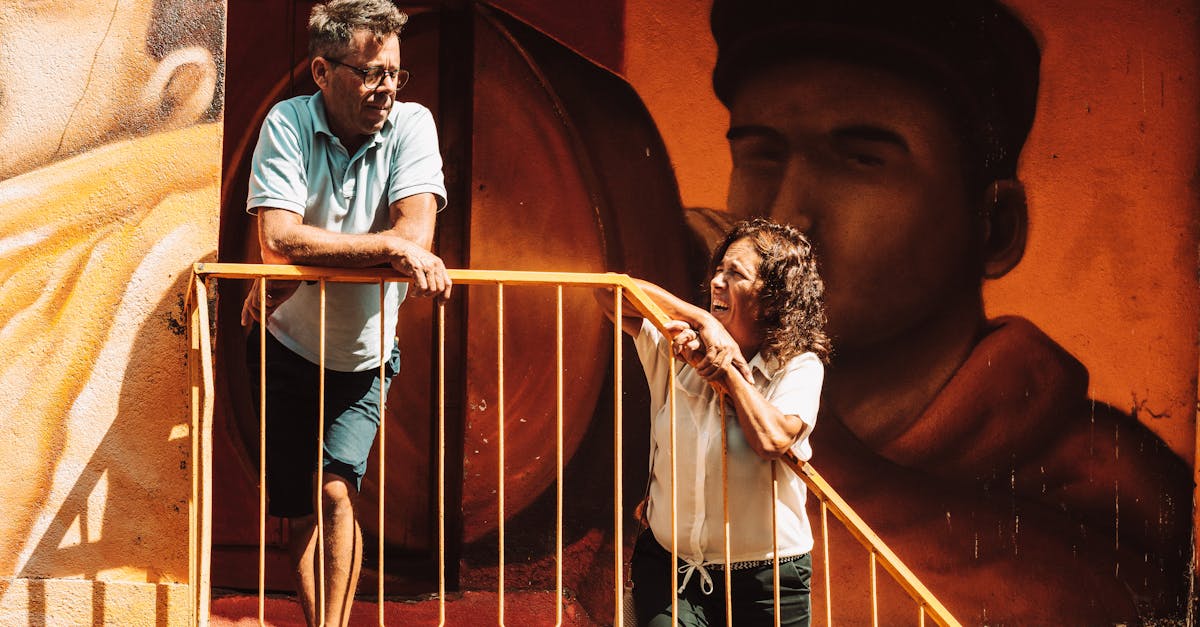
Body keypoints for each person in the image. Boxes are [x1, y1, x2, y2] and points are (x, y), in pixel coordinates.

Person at [688, 0, 1193, 622]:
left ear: (995, 227)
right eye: (761, 155)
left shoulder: (1107, 484)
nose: (787, 216)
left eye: (861, 161)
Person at [238, 1, 451, 625]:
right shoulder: (287, 122)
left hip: (365, 354)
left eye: (394, 73)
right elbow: (279, 237)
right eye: (370, 73)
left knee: (337, 493)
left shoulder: (413, 124)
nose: (386, 89)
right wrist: (384, 248)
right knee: (299, 510)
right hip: (283, 346)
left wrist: (368, 249)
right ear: (322, 72)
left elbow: (418, 234)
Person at [597, 219, 831, 627]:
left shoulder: (797, 365)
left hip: (768, 583)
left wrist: (728, 375)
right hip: (671, 574)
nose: (717, 282)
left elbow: (772, 439)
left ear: (772, 299)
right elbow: (608, 289)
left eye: (735, 274)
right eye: (718, 270)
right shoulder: (679, 345)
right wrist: (701, 322)